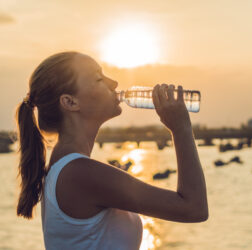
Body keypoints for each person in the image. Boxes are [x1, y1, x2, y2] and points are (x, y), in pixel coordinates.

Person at [16, 51, 208, 250]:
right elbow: (193, 208)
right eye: (99, 78)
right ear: (70, 102)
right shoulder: (80, 174)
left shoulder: (66, 167)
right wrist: (181, 128)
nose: (114, 83)